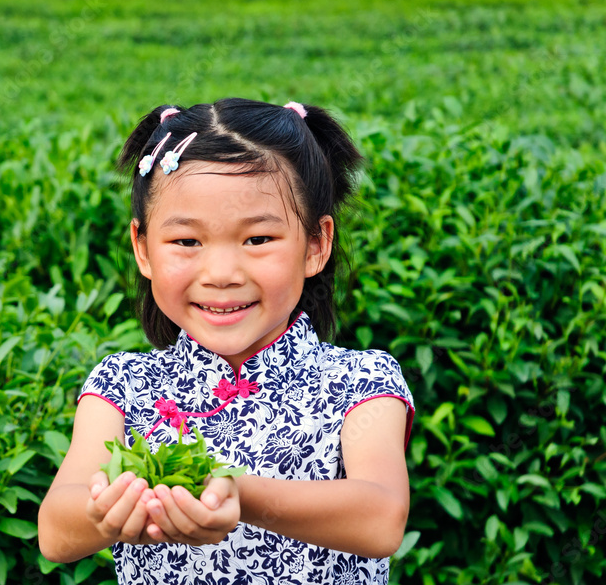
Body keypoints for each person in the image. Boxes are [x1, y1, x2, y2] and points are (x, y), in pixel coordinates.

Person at [37, 97, 415, 584]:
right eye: (187, 242)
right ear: (142, 248)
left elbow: (380, 518)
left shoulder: (360, 381)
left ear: (316, 244)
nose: (221, 274)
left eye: (257, 240)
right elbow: (55, 531)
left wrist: (239, 494)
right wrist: (109, 512)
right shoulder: (123, 386)